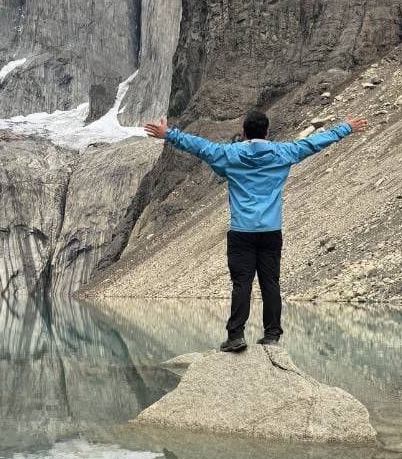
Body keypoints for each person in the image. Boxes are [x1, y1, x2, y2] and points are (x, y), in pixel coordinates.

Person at [144, 111, 368, 352]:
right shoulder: (284, 152)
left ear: (244, 131)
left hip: (242, 231)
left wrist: (169, 134)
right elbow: (314, 143)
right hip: (271, 230)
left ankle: (236, 336)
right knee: (270, 282)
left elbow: (200, 147)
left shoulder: (230, 155)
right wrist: (345, 128)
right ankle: (272, 335)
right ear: (267, 131)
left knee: (242, 283)